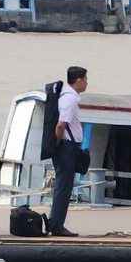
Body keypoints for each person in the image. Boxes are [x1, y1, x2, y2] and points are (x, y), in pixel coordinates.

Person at [49, 66, 88, 237]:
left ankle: (56, 223)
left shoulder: (67, 97)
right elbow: (61, 125)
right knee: (63, 188)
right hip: (66, 147)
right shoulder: (70, 99)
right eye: (85, 79)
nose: (87, 83)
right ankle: (57, 226)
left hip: (67, 147)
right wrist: (57, 146)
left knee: (64, 186)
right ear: (78, 80)